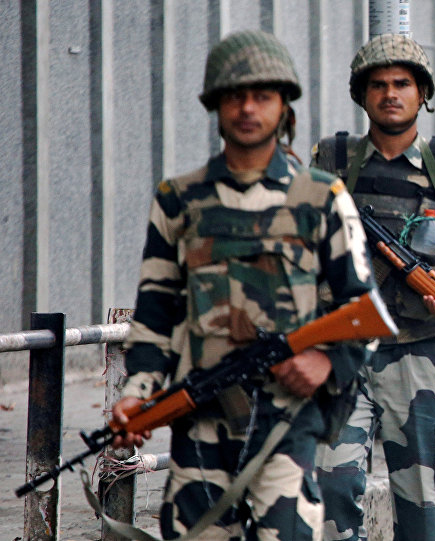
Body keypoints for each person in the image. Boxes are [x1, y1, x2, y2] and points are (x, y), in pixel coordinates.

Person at [109, 30, 377, 539]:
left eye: (262, 96)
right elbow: (154, 313)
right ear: (215, 105)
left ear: (283, 108)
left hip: (287, 425)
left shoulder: (322, 197)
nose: (248, 108)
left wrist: (327, 361)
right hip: (199, 425)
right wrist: (138, 395)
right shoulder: (179, 199)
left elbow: (361, 307)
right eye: (235, 96)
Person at [311, 34, 435, 540]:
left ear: (422, 94)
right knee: (330, 492)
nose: (390, 94)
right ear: (362, 94)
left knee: (421, 511)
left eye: (402, 84)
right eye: (378, 85)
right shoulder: (332, 160)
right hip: (342, 354)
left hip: (418, 356)